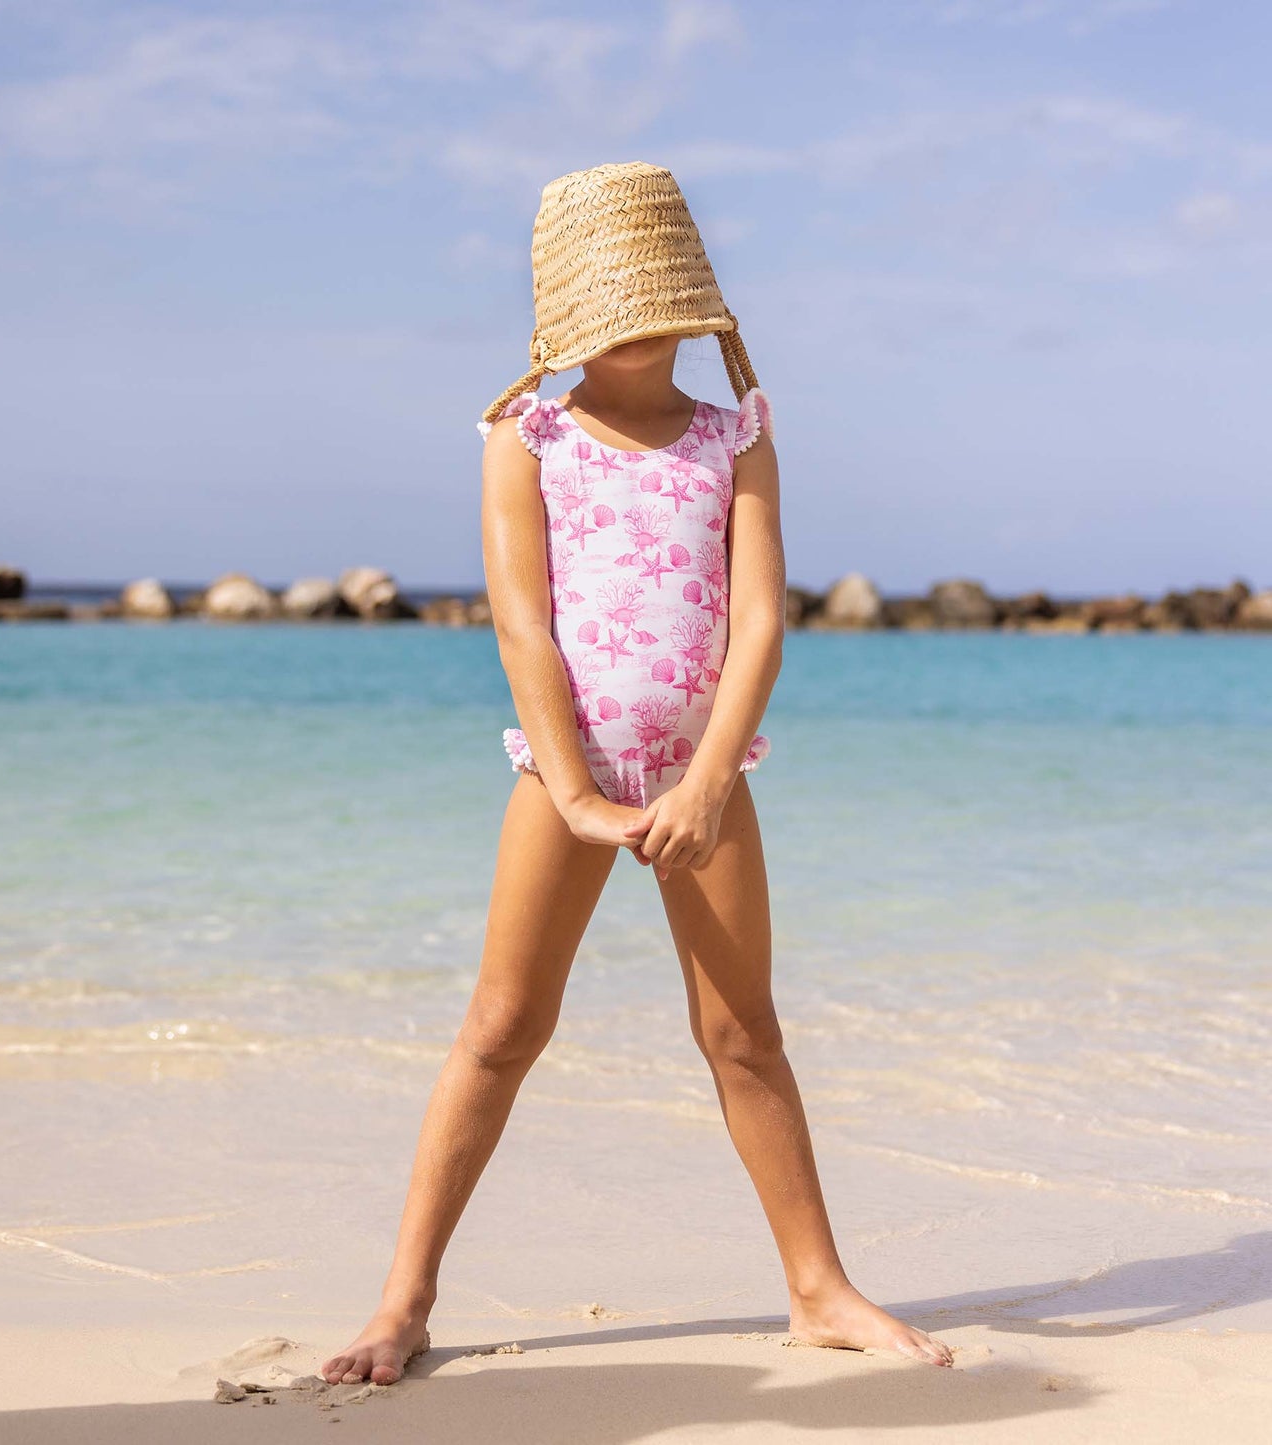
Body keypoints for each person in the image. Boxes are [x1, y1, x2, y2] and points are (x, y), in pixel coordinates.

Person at [320, 161, 954, 1386]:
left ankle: (817, 1288)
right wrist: (569, 791)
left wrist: (709, 781)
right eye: (614, 304)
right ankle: (401, 1301)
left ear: (693, 298)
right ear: (570, 312)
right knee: (501, 1028)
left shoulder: (735, 436)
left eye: (658, 297)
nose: (639, 324)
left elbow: (759, 624)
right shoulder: (527, 435)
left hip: (701, 776)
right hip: (566, 773)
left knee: (743, 1033)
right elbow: (522, 629)